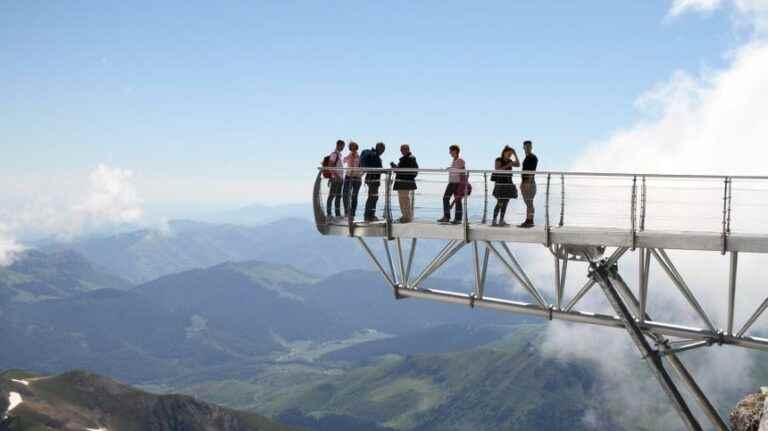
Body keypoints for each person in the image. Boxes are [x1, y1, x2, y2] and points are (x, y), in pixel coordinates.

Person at [491, 145, 520, 227]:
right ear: (504, 152)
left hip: (508, 184)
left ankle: (501, 220)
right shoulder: (498, 159)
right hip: (500, 183)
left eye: (511, 154)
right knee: (500, 202)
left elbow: (518, 164)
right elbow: (497, 169)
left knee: (506, 202)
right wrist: (508, 165)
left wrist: (515, 154)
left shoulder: (510, 160)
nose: (510, 155)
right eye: (509, 153)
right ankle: (494, 220)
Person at [438, 145, 466, 224]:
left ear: (455, 151)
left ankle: (456, 218)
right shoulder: (454, 160)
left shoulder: (460, 160)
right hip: (452, 182)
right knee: (447, 198)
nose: (450, 152)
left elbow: (462, 171)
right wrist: (449, 169)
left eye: (451, 150)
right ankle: (448, 217)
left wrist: (450, 169)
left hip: (457, 183)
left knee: (455, 200)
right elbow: (455, 170)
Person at [391, 145, 418, 223]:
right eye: (401, 149)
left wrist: (397, 169)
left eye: (402, 149)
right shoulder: (408, 158)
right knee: (403, 199)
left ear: (407, 149)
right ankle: (405, 216)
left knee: (404, 199)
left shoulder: (410, 158)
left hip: (404, 182)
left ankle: (407, 217)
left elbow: (409, 171)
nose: (401, 151)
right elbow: (401, 170)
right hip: (403, 182)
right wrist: (396, 168)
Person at [361, 142, 386, 222]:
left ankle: (369, 215)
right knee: (373, 197)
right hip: (373, 179)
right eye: (382, 149)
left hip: (370, 179)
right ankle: (369, 216)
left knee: (372, 197)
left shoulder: (372, 154)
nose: (383, 151)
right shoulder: (374, 155)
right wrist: (384, 171)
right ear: (379, 148)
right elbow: (377, 168)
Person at [519, 140, 538, 228]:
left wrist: (528, 183)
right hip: (525, 183)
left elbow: (532, 172)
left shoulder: (533, 157)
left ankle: (530, 221)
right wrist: (522, 183)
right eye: (526, 146)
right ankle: (528, 220)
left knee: (529, 203)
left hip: (529, 183)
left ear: (531, 147)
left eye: (529, 146)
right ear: (523, 147)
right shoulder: (526, 158)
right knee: (528, 203)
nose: (527, 148)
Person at [326, 140, 345, 219]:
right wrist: (337, 176)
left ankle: (337, 214)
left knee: (337, 196)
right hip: (336, 179)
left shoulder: (339, 155)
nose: (343, 148)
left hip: (339, 179)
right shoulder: (334, 154)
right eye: (342, 146)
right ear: (338, 145)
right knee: (332, 196)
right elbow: (330, 166)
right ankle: (329, 214)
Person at [342, 141, 362, 219]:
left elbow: (362, 167)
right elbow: (343, 161)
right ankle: (347, 212)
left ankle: (353, 213)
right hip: (348, 176)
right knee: (345, 194)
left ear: (356, 148)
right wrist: (350, 157)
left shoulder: (359, 157)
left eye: (354, 147)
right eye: (351, 147)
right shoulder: (349, 156)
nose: (353, 149)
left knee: (354, 196)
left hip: (357, 177)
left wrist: (360, 175)